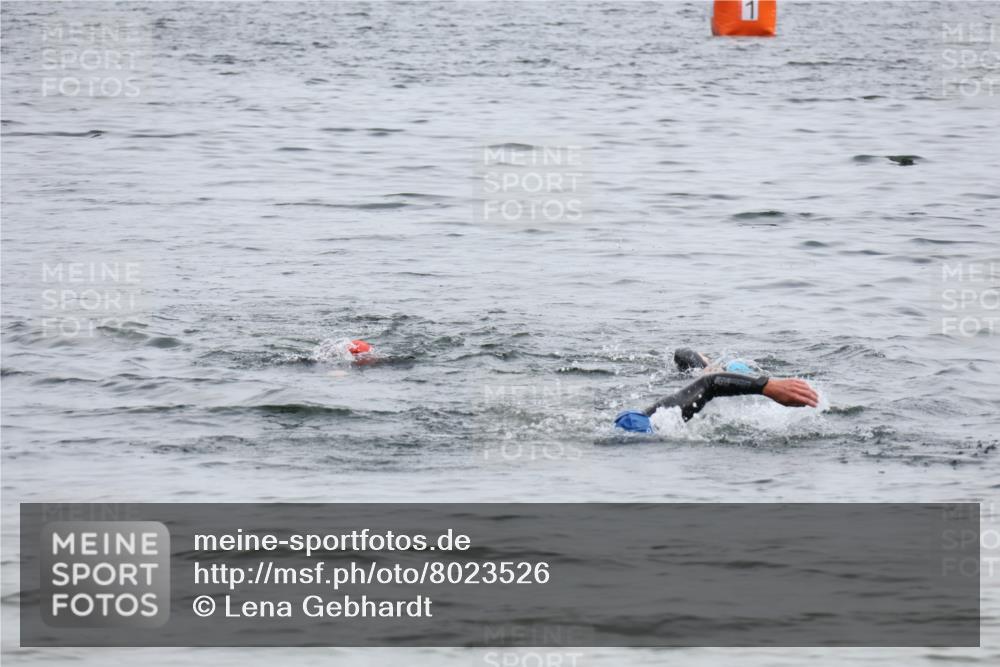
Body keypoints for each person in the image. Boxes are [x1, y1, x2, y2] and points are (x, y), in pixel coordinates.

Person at [614, 348, 819, 433]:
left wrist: (767, 386)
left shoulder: (639, 424)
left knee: (695, 367)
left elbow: (709, 383)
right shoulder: (644, 428)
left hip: (639, 420)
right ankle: (710, 367)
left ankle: (708, 366)